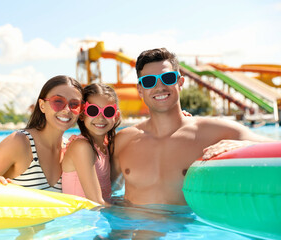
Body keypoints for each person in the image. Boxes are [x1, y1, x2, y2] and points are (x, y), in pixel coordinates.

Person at [111, 48, 274, 206]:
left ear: (180, 82)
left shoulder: (211, 132)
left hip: (186, 232)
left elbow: (273, 147)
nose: (159, 87)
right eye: (148, 81)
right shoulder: (124, 140)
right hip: (132, 229)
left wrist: (245, 145)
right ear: (140, 89)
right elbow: (102, 192)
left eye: (167, 78)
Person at [0, 75, 83, 192]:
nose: (66, 109)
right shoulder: (19, 142)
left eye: (74, 104)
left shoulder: (70, 150)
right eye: (58, 101)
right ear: (42, 105)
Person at [62, 83, 121, 204]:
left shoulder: (105, 146)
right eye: (93, 110)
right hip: (80, 219)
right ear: (82, 115)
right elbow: (95, 203)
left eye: (108, 111)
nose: (100, 117)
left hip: (95, 217)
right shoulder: (81, 147)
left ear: (116, 116)